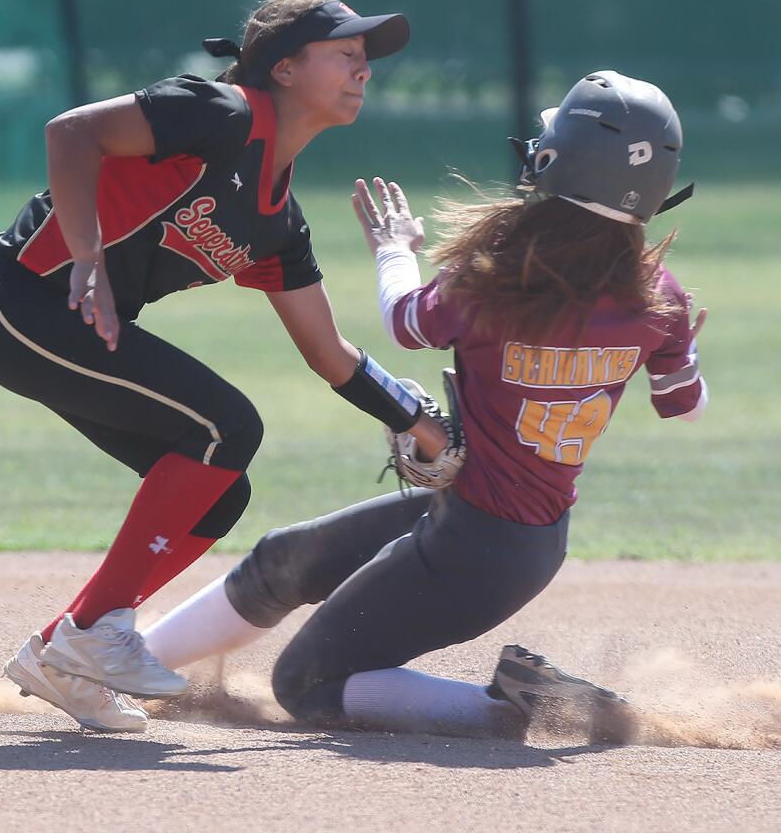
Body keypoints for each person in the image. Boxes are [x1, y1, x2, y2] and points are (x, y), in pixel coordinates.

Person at [139, 71, 707, 740]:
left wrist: (392, 247)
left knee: (303, 683)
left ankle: (535, 709)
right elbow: (684, 405)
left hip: (477, 544)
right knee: (284, 558)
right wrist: (669, 345)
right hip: (508, 534)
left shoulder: (503, 271)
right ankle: (124, 665)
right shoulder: (656, 292)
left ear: (561, 160)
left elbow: (405, 321)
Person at [0, 0, 448, 732]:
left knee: (220, 489)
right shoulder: (219, 113)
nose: (363, 69)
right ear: (283, 68)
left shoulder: (279, 221)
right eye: (345, 53)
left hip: (84, 329)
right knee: (227, 424)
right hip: (21, 301)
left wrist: (417, 421)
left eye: (365, 59)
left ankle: (69, 647)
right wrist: (86, 256)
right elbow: (70, 134)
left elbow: (329, 353)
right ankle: (93, 632)